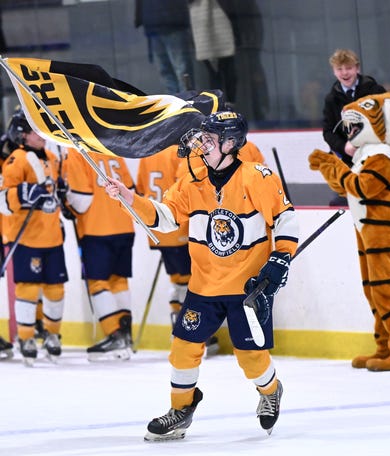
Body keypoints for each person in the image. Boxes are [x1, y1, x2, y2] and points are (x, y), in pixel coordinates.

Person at [104, 111, 299, 440]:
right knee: (183, 347)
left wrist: (281, 258)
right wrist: (128, 197)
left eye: (209, 139)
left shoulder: (257, 177)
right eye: (202, 137)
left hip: (247, 288)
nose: (200, 144)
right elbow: (164, 219)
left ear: (231, 143)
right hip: (204, 286)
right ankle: (181, 409)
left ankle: (271, 391)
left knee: (251, 357)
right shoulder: (192, 181)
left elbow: (285, 218)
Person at [309, 92, 390, 371]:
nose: (350, 129)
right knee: (375, 291)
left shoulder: (385, 156)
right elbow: (346, 185)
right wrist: (326, 166)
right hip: (369, 231)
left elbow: (362, 187)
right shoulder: (367, 154)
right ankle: (385, 347)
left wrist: (332, 164)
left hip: (386, 232)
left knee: (388, 292)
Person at [322, 48, 390, 276]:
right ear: (334, 70)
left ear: (357, 68)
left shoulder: (373, 90)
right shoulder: (332, 98)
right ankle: (378, 259)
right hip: (355, 164)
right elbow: (328, 131)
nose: (345, 73)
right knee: (366, 212)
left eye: (349, 68)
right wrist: (345, 147)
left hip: (383, 160)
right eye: (340, 69)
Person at [136, 145, 219, 356]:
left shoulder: (148, 153)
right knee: (190, 280)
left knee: (178, 279)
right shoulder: (182, 152)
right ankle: (190, 332)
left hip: (157, 227)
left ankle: (180, 327)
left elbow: (141, 189)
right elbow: (186, 188)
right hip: (178, 226)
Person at [0, 110, 68, 366]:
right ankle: (26, 338)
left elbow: (55, 193)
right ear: (23, 135)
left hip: (53, 237)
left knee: (56, 289)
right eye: (35, 131)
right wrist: (24, 193)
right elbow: (3, 201)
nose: (42, 135)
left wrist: (62, 192)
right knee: (27, 289)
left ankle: (52, 335)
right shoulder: (16, 160)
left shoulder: (52, 157)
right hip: (27, 238)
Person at [61, 148, 136, 361]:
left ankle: (114, 334)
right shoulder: (109, 147)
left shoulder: (75, 151)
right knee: (118, 280)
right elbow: (130, 188)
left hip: (97, 228)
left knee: (98, 282)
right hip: (123, 225)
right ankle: (125, 336)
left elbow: (81, 200)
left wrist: (67, 205)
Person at [135, 0, 195, 94]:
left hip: (169, 22)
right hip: (157, 23)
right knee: (170, 70)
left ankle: (186, 101)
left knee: (178, 69)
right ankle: (180, 102)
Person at [188, 0, 237, 105]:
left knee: (219, 73)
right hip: (212, 29)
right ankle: (223, 105)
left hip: (213, 30)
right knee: (219, 73)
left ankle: (222, 104)